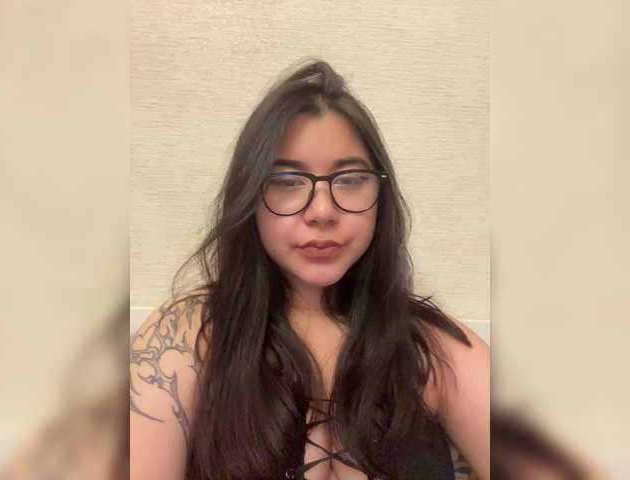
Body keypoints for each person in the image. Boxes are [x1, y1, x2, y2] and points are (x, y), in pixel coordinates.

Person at [130, 59, 490, 480]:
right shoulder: (184, 338)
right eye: (287, 181)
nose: (322, 211)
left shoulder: (433, 347)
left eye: (350, 179)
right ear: (249, 197)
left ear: (381, 194)